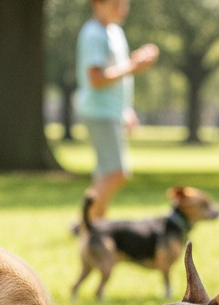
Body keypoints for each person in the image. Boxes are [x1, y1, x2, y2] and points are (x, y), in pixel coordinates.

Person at [75, 0, 159, 221]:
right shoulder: (94, 34)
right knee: (117, 172)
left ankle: (94, 224)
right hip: (99, 111)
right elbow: (96, 78)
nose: (122, 9)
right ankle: (84, 224)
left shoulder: (115, 32)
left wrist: (126, 110)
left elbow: (117, 72)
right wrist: (133, 66)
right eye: (115, 4)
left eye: (124, 4)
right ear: (97, 4)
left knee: (105, 173)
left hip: (111, 111)